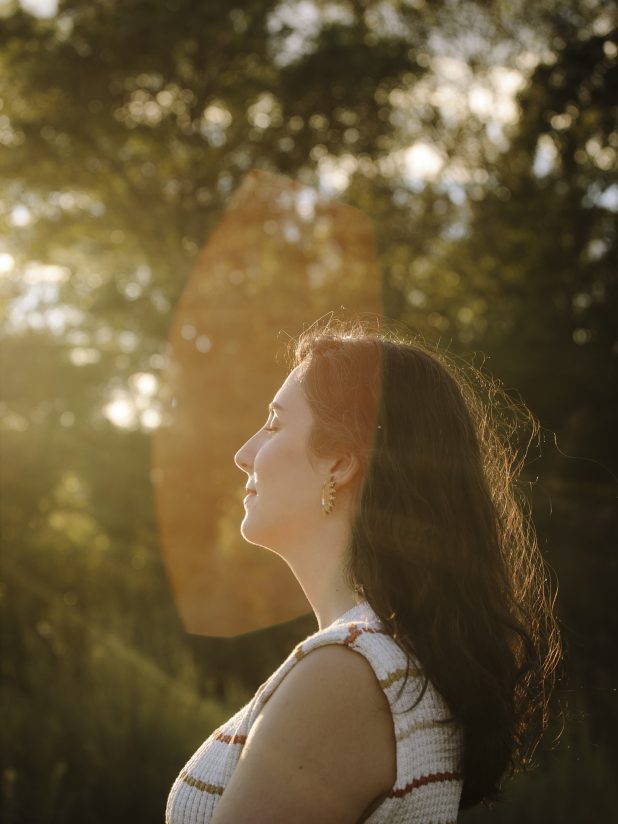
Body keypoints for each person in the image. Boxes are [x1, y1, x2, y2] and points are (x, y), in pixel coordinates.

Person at [166, 317, 561, 824]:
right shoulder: (384, 661)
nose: (244, 455)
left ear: (339, 464)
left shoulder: (348, 670)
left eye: (274, 424)